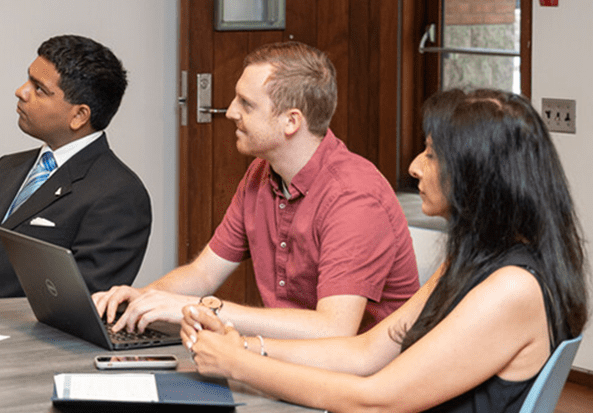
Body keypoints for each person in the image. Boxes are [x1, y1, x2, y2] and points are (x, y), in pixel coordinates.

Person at [183, 88, 590, 413]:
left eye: (432, 154)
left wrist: (242, 365)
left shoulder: (511, 288)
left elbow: (374, 400)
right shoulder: (477, 258)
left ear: (476, 173)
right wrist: (248, 347)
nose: (414, 166)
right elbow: (368, 351)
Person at [95, 41, 419, 338]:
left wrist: (206, 309)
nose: (231, 112)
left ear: (291, 122)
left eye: (246, 105)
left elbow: (333, 329)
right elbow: (204, 274)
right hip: (286, 358)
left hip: (357, 380)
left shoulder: (353, 196)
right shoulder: (260, 173)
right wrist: (144, 300)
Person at [0, 34, 152, 302]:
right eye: (28, 79)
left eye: (39, 89)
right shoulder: (6, 167)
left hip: (20, 340)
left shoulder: (119, 194)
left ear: (79, 116)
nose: (21, 91)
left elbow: (76, 304)